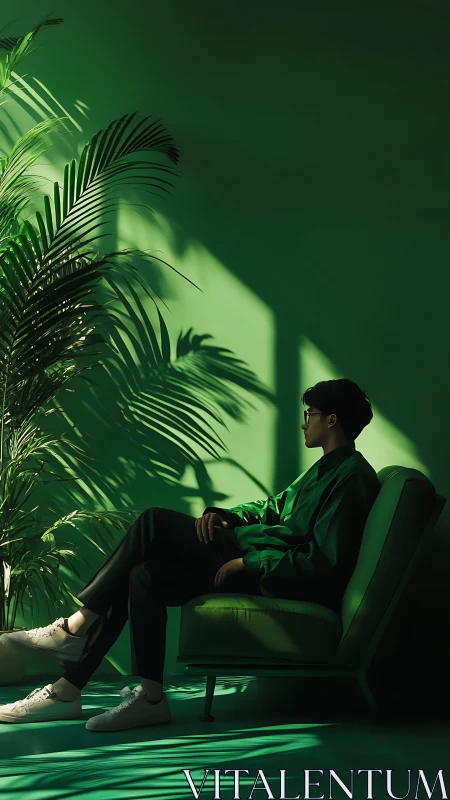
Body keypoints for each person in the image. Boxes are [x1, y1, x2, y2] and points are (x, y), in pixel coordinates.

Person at [0, 377, 380, 731]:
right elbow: (273, 507)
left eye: (309, 415)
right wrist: (225, 515)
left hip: (275, 577)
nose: (303, 424)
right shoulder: (323, 470)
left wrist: (246, 561)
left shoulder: (351, 479)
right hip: (256, 560)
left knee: (153, 522)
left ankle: (74, 628)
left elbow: (323, 560)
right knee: (144, 575)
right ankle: (132, 697)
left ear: (331, 420)